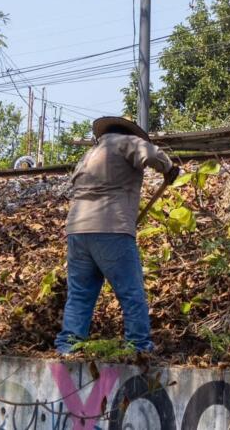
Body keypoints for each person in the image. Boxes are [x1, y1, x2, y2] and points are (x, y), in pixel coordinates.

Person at [55, 116, 179, 355]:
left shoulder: (90, 155)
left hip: (77, 230)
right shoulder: (124, 142)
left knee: (80, 293)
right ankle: (138, 347)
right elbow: (151, 155)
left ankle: (67, 347)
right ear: (127, 133)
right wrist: (169, 167)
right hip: (110, 228)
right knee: (130, 291)